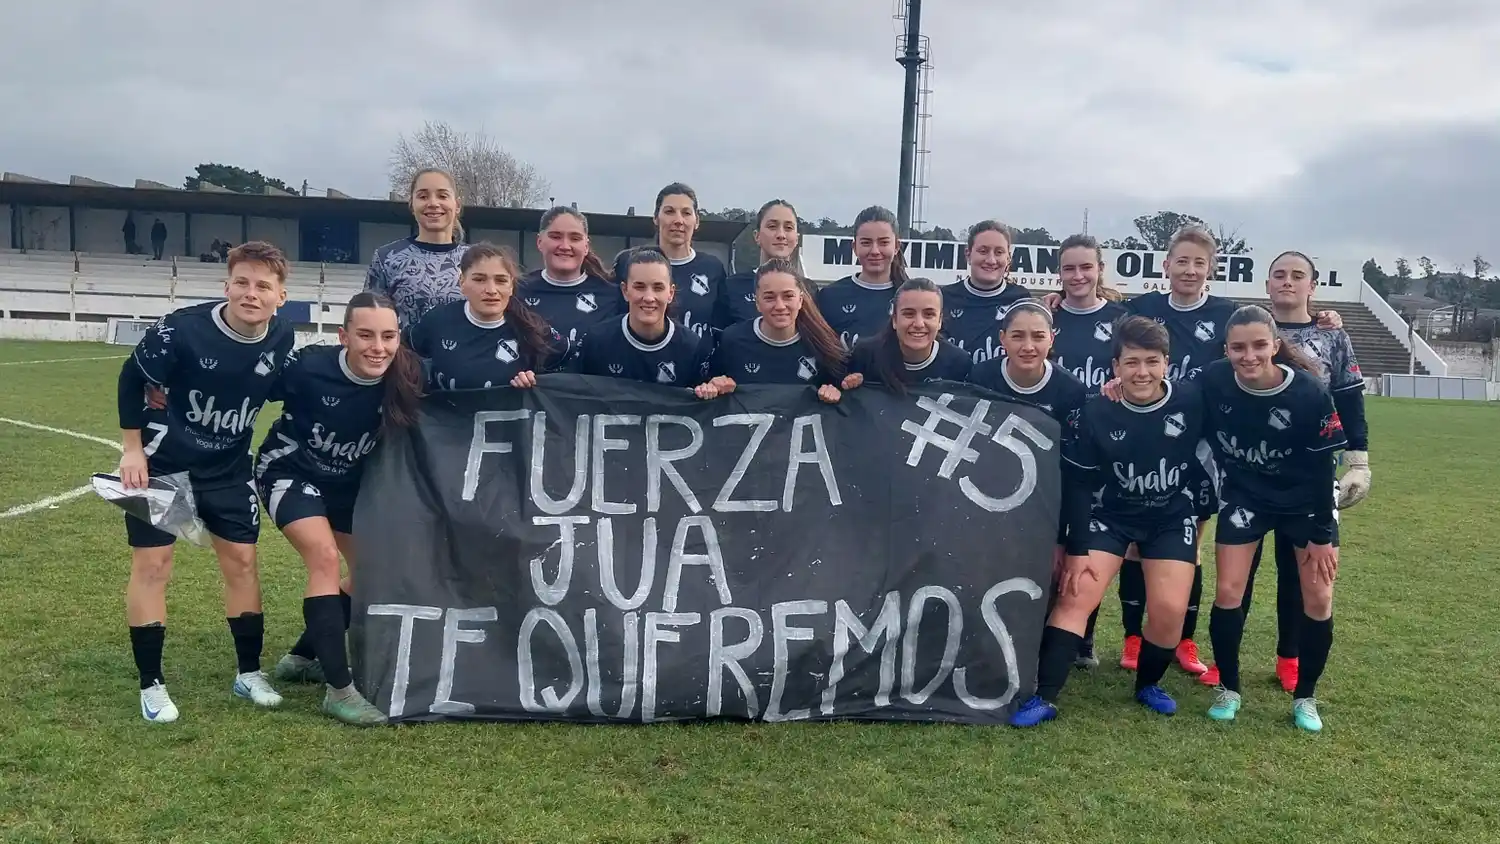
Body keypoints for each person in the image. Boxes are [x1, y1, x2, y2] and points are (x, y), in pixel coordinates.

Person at [116, 241, 296, 724]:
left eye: (263, 286)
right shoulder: (181, 329)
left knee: (242, 562)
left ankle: (248, 673)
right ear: (227, 286)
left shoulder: (282, 337)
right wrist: (132, 448)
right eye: (242, 282)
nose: (250, 293)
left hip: (228, 470)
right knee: (154, 566)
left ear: (281, 295)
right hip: (162, 465)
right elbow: (131, 378)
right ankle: (152, 684)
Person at [1010, 316, 1206, 727]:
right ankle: (1043, 696)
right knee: (1075, 595)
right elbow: (1080, 484)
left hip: (1170, 518)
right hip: (1111, 515)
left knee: (1169, 609)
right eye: (1131, 363)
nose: (1142, 372)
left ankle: (1148, 685)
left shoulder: (1191, 402)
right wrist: (1078, 548)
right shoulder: (1097, 410)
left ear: (1167, 363)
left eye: (1152, 362)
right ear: (1115, 367)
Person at [259, 292, 422, 726]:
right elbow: (246, 389)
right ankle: (339, 690)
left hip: (349, 486)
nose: (378, 347)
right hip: (290, 472)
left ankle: (301, 658)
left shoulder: (407, 374)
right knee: (325, 559)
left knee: (370, 572)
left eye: (388, 336)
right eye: (365, 335)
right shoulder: (309, 366)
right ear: (343, 336)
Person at [1195, 305, 1346, 732]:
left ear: (1275, 346)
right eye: (1238, 347)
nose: (1249, 356)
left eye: (1259, 345)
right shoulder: (1213, 380)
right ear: (1226, 350)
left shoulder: (1309, 393)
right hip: (1246, 497)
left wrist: (1321, 535)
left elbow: (1322, 469)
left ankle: (1306, 698)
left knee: (1318, 597)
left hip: (1306, 503)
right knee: (1228, 590)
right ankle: (1229, 688)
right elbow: (1170, 399)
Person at [1238, 251, 1372, 693]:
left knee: (1300, 572)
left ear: (1313, 286)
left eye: (1298, 276)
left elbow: (1349, 399)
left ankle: (1289, 657)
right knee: (1238, 571)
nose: (1288, 282)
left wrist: (1359, 460)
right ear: (1267, 284)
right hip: (1249, 474)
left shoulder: (1332, 335)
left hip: (1309, 476)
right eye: (1279, 275)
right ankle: (1227, 660)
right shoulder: (1253, 332)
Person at [967, 301, 1088, 620]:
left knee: (1044, 574)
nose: (1028, 346)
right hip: (989, 493)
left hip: (1043, 501)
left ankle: (1047, 643)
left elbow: (1073, 472)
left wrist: (1066, 539)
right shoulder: (980, 377)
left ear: (1052, 338)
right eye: (1018, 336)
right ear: (1002, 338)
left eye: (1038, 336)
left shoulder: (1070, 390)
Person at [1046, 234, 1131, 667]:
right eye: (1069, 269)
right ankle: (1047, 629)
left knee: (1088, 539)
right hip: (1050, 445)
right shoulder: (1048, 316)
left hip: (1102, 449)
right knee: (1051, 539)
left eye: (1086, 267)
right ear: (1058, 274)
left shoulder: (1121, 320)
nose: (1077, 276)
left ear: (1100, 270)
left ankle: (1085, 636)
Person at [409, 243, 567, 391]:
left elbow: (571, 369)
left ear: (511, 286)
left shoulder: (532, 327)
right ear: (462, 282)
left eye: (501, 280)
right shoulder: (438, 320)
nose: (491, 290)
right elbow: (399, 357)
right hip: (447, 419)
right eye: (479, 279)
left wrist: (538, 382)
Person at [703, 258, 846, 404]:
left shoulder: (821, 344)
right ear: (757, 303)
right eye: (769, 297)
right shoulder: (732, 340)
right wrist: (715, 385)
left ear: (800, 300)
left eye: (788, 296)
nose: (780, 306)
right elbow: (708, 386)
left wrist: (834, 392)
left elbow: (844, 390)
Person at [574, 248, 714, 389]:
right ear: (625, 291)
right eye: (639, 287)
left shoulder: (692, 347)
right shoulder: (597, 341)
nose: (648, 298)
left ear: (670, 293)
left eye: (658, 288)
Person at [611, 182, 727, 338]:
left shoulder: (713, 268)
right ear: (656, 218)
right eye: (669, 211)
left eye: (686, 213)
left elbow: (721, 326)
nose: (678, 220)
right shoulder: (629, 261)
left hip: (695, 361)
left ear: (697, 221)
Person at [365, 167, 470, 333]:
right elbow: (369, 320)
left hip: (466, 358)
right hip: (407, 358)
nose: (433, 203)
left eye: (442, 196)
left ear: (457, 205)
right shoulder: (388, 258)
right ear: (412, 205)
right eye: (423, 196)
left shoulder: (475, 260)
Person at [841, 277, 971, 394]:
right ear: (895, 320)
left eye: (929, 314)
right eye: (909, 314)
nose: (919, 324)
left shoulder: (958, 363)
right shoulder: (865, 356)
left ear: (940, 321)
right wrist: (849, 385)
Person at [517, 207, 621, 351]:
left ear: (586, 246)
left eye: (575, 238)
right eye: (555, 236)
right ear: (539, 242)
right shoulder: (517, 291)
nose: (565, 246)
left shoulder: (613, 296)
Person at [816, 206, 911, 349]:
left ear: (897, 246)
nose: (875, 251)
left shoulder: (911, 297)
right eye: (866, 243)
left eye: (883, 242)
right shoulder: (830, 297)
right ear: (854, 247)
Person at [941, 220, 1031, 363]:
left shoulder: (1021, 300)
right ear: (968, 254)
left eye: (999, 252)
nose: (991, 260)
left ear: (1008, 258)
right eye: (983, 251)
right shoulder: (944, 297)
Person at [716, 200, 802, 328]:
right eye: (772, 226)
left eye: (788, 228)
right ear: (757, 236)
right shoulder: (732, 286)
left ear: (797, 239)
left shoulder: (810, 290)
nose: (781, 235)